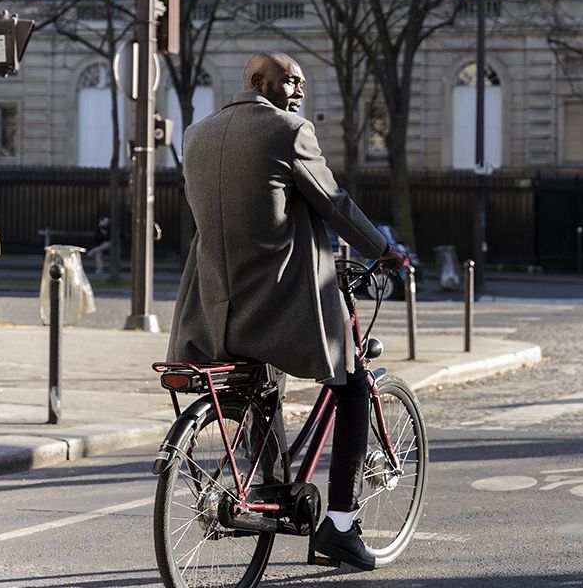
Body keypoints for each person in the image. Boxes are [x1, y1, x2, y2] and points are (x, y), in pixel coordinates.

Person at [167, 51, 405, 571]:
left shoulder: (196, 134)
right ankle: (340, 525)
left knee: (262, 388)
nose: (298, 91)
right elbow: (333, 202)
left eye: (300, 83)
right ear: (258, 80)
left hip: (212, 302)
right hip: (277, 300)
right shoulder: (289, 131)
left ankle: (272, 489)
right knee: (353, 386)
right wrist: (383, 248)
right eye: (289, 81)